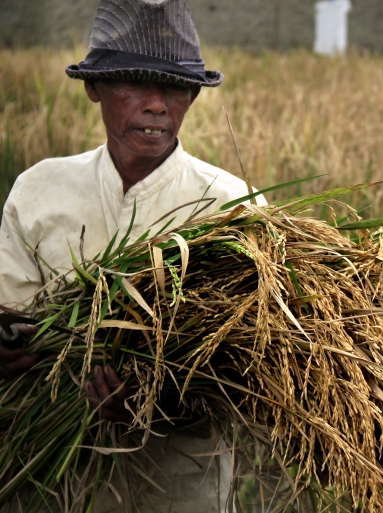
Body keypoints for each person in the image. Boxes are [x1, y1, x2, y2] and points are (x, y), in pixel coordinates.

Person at [0, 1, 265, 511]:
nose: (156, 105)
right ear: (93, 88)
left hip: (184, 490)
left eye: (174, 88)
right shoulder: (39, 191)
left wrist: (163, 403)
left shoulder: (234, 209)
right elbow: (11, 316)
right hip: (52, 485)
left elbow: (254, 369)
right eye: (134, 85)